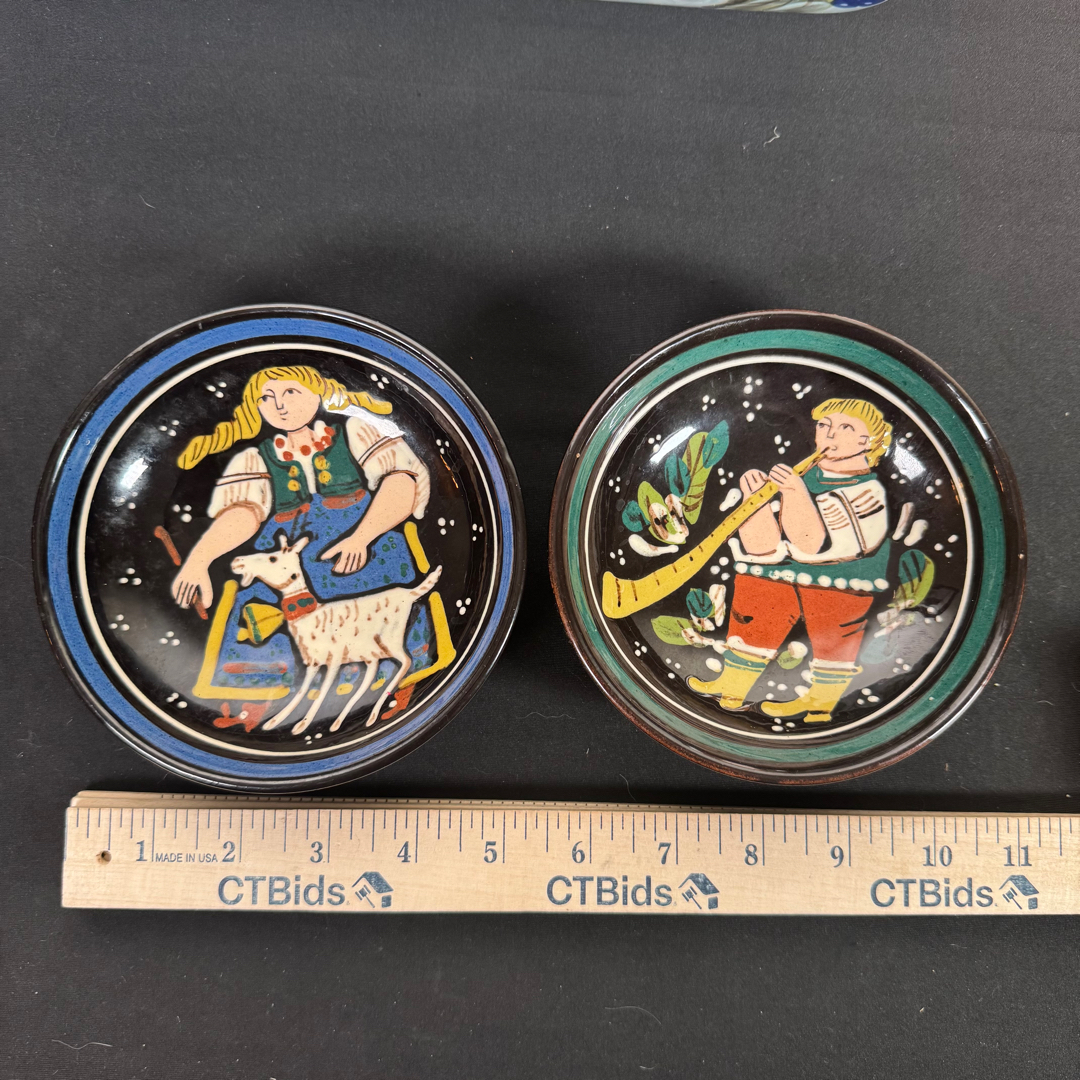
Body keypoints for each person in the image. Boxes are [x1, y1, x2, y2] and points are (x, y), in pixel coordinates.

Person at [172, 361, 434, 718]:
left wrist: (362, 537)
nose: (279, 405)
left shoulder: (358, 431)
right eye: (266, 398)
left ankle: (384, 687)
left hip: (362, 547)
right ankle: (262, 701)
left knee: (373, 610)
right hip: (288, 557)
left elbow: (401, 482)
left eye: (291, 392)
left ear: (318, 392)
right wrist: (199, 560)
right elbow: (242, 515)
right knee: (262, 613)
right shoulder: (256, 459)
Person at [688, 397, 892, 723]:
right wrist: (754, 502)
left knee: (832, 630)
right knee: (757, 598)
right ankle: (733, 684)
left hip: (843, 574)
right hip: (790, 567)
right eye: (824, 425)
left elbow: (812, 544)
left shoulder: (866, 491)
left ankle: (820, 704)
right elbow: (763, 546)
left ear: (866, 441)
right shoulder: (806, 477)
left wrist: (795, 493)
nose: (830, 434)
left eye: (845, 428)